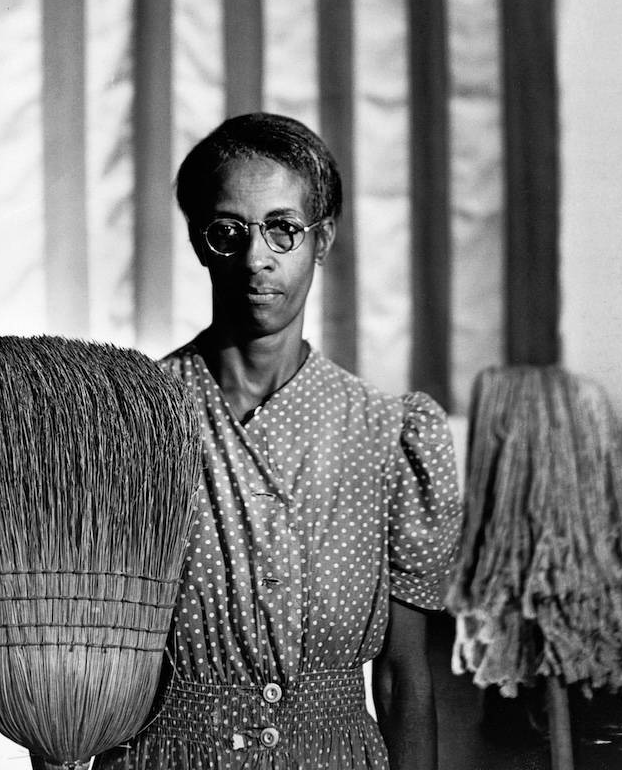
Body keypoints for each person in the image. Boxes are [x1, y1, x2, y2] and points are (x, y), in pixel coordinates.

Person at [96, 113, 462, 770]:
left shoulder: (385, 434)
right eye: (229, 230)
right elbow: (84, 657)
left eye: (283, 229)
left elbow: (404, 678)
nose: (257, 257)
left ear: (323, 239)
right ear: (200, 242)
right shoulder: (134, 419)